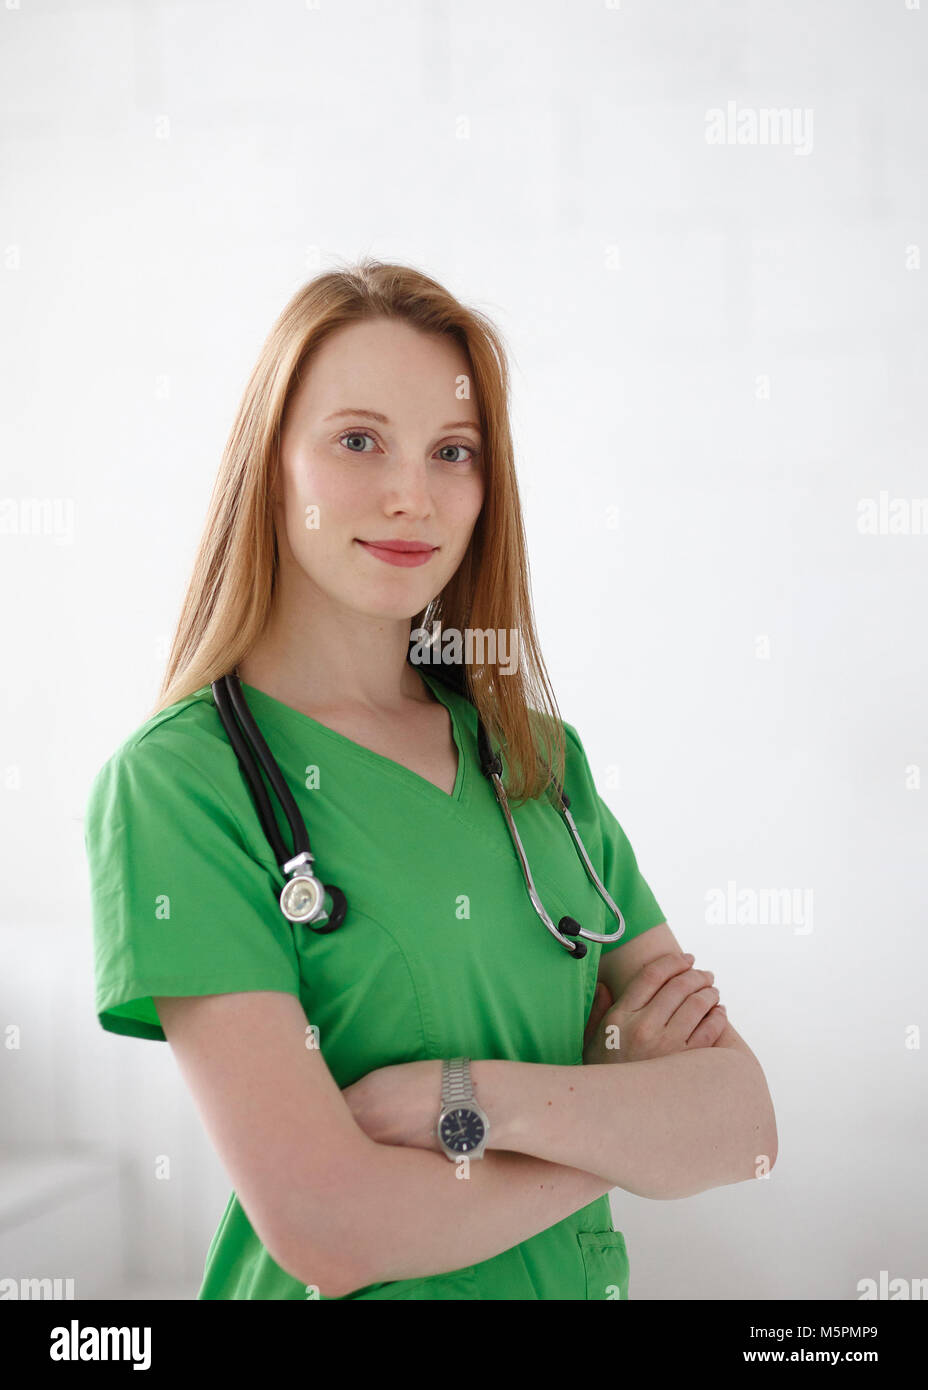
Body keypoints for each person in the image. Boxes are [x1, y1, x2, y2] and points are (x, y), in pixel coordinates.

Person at [84, 258, 777, 1301]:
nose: (412, 493)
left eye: (452, 451)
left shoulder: (539, 763)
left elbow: (742, 1124)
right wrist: (622, 1122)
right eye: (359, 439)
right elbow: (331, 1228)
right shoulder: (184, 783)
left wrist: (468, 1097)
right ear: (271, 465)